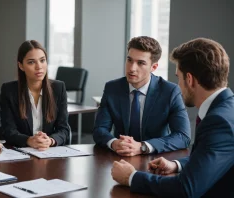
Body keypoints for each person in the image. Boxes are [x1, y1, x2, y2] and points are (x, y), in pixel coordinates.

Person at [111, 38, 234, 197]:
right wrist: (176, 165)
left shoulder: (219, 121)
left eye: (179, 77)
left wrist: (132, 177)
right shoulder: (226, 109)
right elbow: (209, 158)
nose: (179, 85)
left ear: (189, 80)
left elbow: (186, 189)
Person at [93, 36, 191, 156]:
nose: (132, 68)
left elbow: (183, 136)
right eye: (129, 60)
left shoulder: (170, 92)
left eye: (141, 63)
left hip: (156, 159)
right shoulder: (112, 88)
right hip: (120, 157)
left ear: (153, 67)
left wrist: (142, 147)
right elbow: (99, 130)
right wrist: (114, 143)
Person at [0, 40, 70, 149]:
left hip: (49, 153)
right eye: (31, 62)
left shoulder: (58, 88)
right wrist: (29, 140)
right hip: (22, 153)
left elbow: (64, 130)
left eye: (42, 60)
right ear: (21, 66)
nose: (39, 67)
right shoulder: (9, 91)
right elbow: (8, 131)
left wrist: (50, 141)